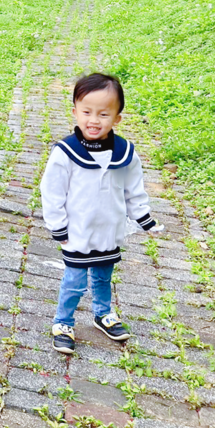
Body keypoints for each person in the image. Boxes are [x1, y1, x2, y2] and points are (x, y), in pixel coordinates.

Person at [40, 72, 162, 354]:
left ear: (117, 118)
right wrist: (58, 228)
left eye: (104, 114)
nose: (94, 120)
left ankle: (103, 313)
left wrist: (144, 218)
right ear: (75, 112)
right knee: (74, 280)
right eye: (87, 112)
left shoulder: (125, 153)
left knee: (103, 275)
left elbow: (134, 188)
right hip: (78, 231)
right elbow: (53, 192)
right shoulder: (66, 152)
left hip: (109, 229)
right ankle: (63, 322)